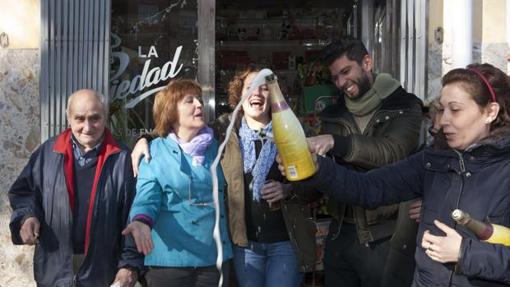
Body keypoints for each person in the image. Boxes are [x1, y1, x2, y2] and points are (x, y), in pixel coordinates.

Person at [287, 63, 510, 286]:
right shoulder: (433, 160)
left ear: (490, 112)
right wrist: (316, 166)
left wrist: (464, 253)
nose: (443, 121)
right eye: (441, 109)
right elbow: (367, 188)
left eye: (455, 109)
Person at [131, 66, 316, 287]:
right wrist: (144, 140)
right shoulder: (223, 131)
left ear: (273, 95)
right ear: (240, 95)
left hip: (286, 241)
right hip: (243, 245)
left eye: (264, 88)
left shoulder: (292, 130)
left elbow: (316, 185)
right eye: (250, 88)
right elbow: (179, 133)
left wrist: (288, 190)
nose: (257, 93)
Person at [303, 37, 423, 287]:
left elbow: (393, 152)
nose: (341, 82)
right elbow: (327, 176)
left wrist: (339, 143)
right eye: (335, 77)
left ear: (367, 62)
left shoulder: (404, 106)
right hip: (339, 236)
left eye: (346, 72)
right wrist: (296, 180)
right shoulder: (333, 115)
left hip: (384, 237)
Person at [8, 89, 142, 286]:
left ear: (105, 117)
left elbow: (134, 216)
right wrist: (27, 217)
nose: (87, 127)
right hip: (54, 273)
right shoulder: (48, 153)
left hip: (103, 274)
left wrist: (129, 265)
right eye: (80, 118)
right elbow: (24, 192)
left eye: (95, 118)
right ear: (68, 119)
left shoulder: (122, 159)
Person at [122, 79, 233, 287]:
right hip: (169, 264)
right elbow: (147, 197)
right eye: (189, 101)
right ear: (171, 112)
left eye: (199, 100)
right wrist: (140, 220)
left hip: (213, 261)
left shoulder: (218, 147)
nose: (199, 105)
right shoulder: (154, 151)